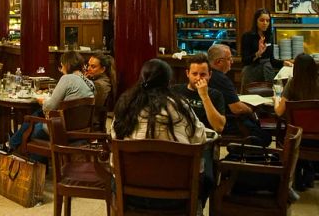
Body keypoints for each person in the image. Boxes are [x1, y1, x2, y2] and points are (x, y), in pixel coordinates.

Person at [112, 58, 208, 211]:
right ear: (168, 81)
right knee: (205, 175)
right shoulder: (179, 106)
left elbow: (114, 137)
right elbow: (200, 138)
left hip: (130, 194)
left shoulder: (125, 105)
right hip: (176, 196)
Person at [0, 51, 95, 157]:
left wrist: (43, 101)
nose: (61, 70)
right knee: (35, 116)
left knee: (30, 127)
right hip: (80, 131)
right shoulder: (90, 83)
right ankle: (11, 145)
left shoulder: (68, 78)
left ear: (67, 65)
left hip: (61, 130)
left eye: (62, 66)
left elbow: (49, 106)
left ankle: (15, 150)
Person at [275, 53, 319, 191]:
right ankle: (313, 170)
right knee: (312, 128)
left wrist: (276, 101)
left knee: (297, 132)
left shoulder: (292, 84)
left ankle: (300, 172)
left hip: (298, 140)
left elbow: (279, 112)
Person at [208, 44, 271, 146]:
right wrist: (250, 109)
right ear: (218, 62)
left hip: (211, 121)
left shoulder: (206, 74)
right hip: (229, 122)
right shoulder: (222, 80)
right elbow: (236, 108)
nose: (232, 62)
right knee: (265, 137)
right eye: (229, 59)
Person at [172, 54, 226, 134]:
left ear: (210, 75)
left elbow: (219, 127)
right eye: (194, 74)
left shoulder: (216, 95)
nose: (198, 78)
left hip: (204, 138)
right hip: (180, 135)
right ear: (187, 73)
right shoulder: (175, 90)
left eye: (203, 74)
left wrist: (204, 96)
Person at [240, 8, 276, 90]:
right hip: (251, 72)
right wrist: (258, 53)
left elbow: (272, 60)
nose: (265, 23)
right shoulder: (247, 36)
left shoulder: (269, 36)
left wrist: (285, 63)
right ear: (256, 21)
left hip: (267, 72)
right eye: (262, 20)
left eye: (267, 21)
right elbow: (245, 60)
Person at [85, 52, 116, 132]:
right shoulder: (95, 80)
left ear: (103, 69)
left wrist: (82, 81)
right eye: (88, 65)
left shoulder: (100, 84)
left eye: (93, 66)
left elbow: (89, 105)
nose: (88, 69)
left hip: (90, 123)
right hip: (89, 120)